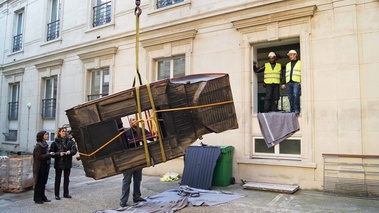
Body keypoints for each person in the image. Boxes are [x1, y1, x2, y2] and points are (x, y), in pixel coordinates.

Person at [119, 117, 152, 207]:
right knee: (127, 180)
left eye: (135, 119)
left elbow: (151, 137)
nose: (135, 121)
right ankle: (123, 200)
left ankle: (137, 196)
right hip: (128, 160)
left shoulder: (141, 130)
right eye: (133, 120)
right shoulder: (126, 132)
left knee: (138, 179)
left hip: (138, 159)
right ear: (130, 122)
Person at [50, 127, 77, 200]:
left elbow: (74, 150)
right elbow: (51, 153)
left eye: (65, 131)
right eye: (63, 131)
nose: (64, 132)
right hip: (59, 163)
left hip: (67, 163)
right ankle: (57, 194)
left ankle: (66, 193)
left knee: (66, 179)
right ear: (59, 132)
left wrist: (70, 152)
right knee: (58, 179)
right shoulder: (55, 143)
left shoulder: (70, 142)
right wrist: (59, 154)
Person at [33, 130, 55, 204]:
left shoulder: (45, 144)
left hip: (45, 165)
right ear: (41, 136)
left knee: (43, 182)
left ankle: (43, 196)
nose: (47, 136)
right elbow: (38, 157)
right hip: (40, 166)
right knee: (39, 182)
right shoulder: (38, 146)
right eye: (45, 134)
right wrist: (49, 155)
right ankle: (37, 198)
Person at [281, 49, 301, 116]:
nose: (290, 56)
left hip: (296, 82)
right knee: (290, 97)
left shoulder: (300, 63)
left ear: (295, 55)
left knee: (296, 95)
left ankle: (296, 110)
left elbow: (303, 72)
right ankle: (292, 110)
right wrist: (283, 83)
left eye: (291, 55)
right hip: (289, 82)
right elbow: (285, 74)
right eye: (289, 55)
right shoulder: (287, 64)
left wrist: (302, 81)